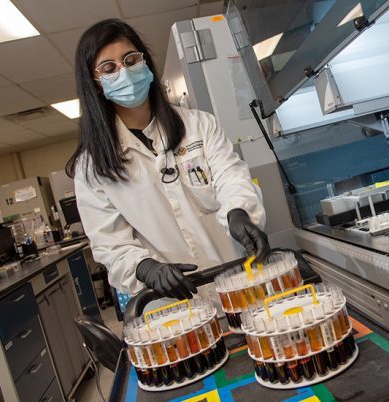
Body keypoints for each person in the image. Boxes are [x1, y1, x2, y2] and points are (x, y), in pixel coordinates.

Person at [66, 19, 269, 301]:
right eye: (109, 68)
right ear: (96, 85)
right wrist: (144, 267)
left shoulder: (198, 125)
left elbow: (230, 176)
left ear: (145, 62)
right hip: (173, 304)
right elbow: (109, 243)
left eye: (130, 59)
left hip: (237, 279)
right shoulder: (92, 168)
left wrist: (238, 212)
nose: (124, 72)